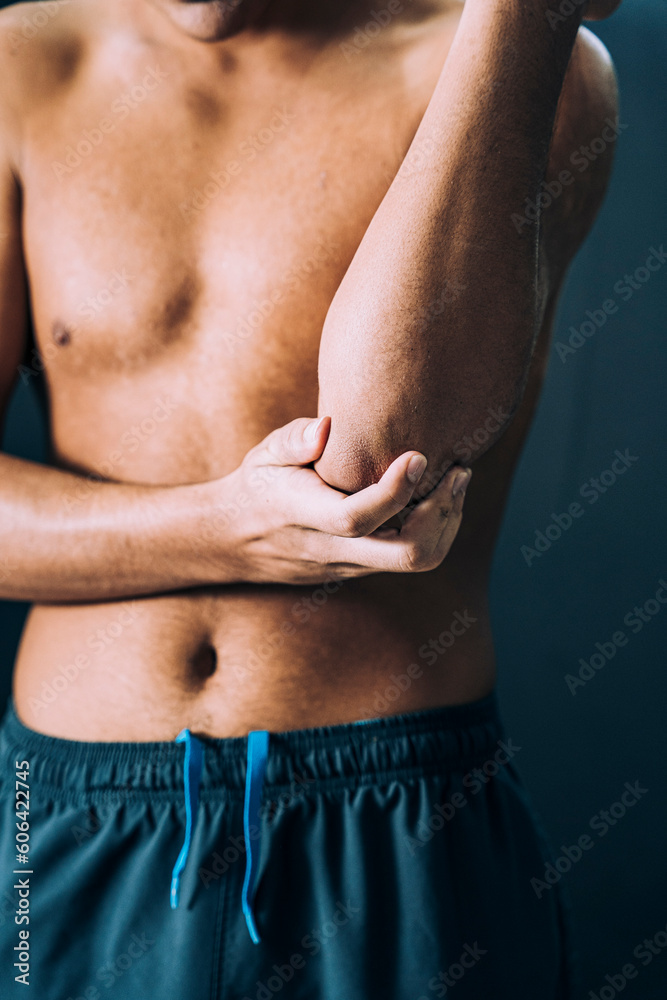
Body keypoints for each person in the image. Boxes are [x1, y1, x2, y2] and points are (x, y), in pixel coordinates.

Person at [0, 0, 622, 996]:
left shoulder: (512, 55)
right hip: (69, 817)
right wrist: (226, 528)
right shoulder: (21, 65)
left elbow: (385, 451)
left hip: (395, 821)